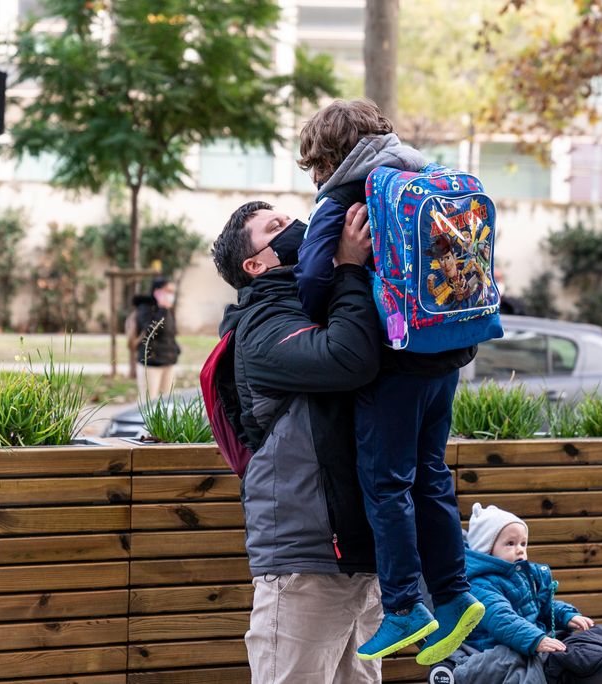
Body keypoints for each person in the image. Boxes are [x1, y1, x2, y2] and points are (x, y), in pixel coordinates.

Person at [295, 98, 484, 666]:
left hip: (394, 363)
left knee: (386, 483)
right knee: (429, 477)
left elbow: (308, 280)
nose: (313, 175)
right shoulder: (424, 175)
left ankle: (404, 605)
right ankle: (453, 597)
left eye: (313, 162)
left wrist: (346, 268)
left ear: (330, 155)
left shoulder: (348, 194)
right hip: (446, 353)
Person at [211, 200, 383, 683]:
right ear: (256, 264)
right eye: (277, 227)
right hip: (304, 562)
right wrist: (348, 268)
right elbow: (346, 359)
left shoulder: (319, 302)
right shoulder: (263, 326)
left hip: (358, 557)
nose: (299, 227)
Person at [465, 503, 593, 657]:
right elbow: (501, 618)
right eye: (510, 543)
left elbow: (541, 606)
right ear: (486, 549)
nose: (520, 549)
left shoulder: (522, 575)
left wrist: (566, 616)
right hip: (494, 647)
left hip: (527, 640)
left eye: (523, 543)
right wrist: (535, 639)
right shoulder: (480, 584)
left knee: (590, 643)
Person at [134, 277, 181, 399]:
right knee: (149, 402)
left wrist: (175, 349)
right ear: (157, 291)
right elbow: (151, 330)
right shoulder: (145, 308)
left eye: (172, 292)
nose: (170, 295)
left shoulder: (169, 310)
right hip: (151, 363)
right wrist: (162, 309)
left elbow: (171, 333)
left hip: (168, 361)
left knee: (168, 401)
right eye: (167, 291)